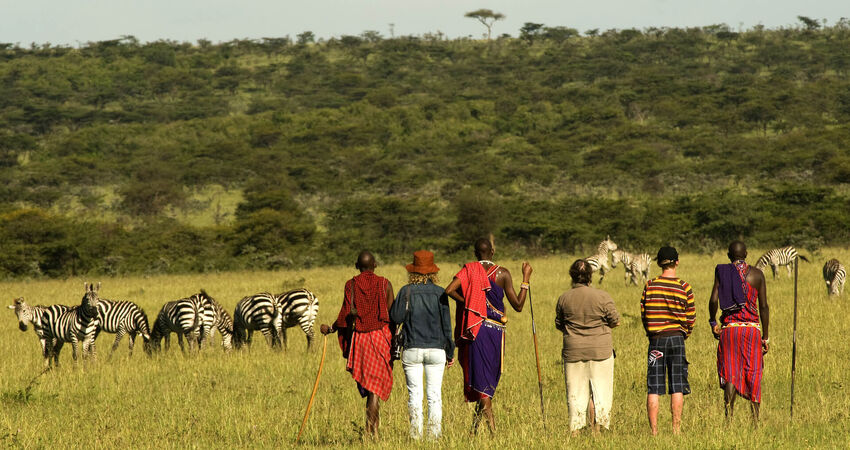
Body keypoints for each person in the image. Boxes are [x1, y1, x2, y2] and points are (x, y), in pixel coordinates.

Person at [444, 237, 533, 435]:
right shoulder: (502, 273)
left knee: (485, 380)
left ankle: (473, 431)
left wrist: (468, 303)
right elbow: (518, 306)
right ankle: (493, 433)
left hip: (476, 329)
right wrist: (525, 278)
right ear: (492, 252)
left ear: (475, 254)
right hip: (495, 331)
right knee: (486, 379)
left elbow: (449, 290)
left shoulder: (468, 270)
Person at [319, 251, 394, 438]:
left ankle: (372, 431)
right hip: (381, 337)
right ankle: (371, 432)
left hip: (360, 339)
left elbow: (344, 316)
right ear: (375, 265)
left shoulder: (350, 285)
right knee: (374, 389)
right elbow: (392, 314)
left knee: (371, 389)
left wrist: (331, 328)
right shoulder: (385, 284)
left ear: (356, 265)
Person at [389, 250, 455, 440]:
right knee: (434, 396)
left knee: (414, 395)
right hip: (437, 350)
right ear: (433, 271)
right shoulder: (440, 292)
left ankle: (415, 436)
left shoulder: (406, 291)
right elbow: (446, 326)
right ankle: (434, 437)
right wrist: (450, 353)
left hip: (412, 349)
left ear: (413, 271)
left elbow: (396, 317)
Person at [555, 259, 620, 435]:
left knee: (575, 393)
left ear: (572, 276)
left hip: (573, 351)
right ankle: (597, 430)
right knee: (601, 392)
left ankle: (575, 431)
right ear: (590, 276)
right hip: (601, 351)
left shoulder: (564, 298)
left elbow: (559, 324)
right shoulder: (603, 297)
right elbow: (615, 321)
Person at [708, 240, 769, 424]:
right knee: (753, 372)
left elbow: (713, 300)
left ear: (728, 256)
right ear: (747, 254)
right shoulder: (758, 275)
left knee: (730, 373)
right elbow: (764, 307)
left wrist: (713, 322)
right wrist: (765, 336)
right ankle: (756, 420)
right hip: (751, 331)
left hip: (730, 330)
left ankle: (728, 419)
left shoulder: (722, 272)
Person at [640, 246, 695, 435]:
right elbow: (691, 317)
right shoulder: (684, 286)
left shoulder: (650, 285)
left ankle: (654, 432)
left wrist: (652, 333)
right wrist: (684, 333)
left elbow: (644, 314)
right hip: (677, 338)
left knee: (654, 386)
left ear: (658, 263)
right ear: (677, 262)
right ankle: (676, 429)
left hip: (656, 340)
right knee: (677, 385)